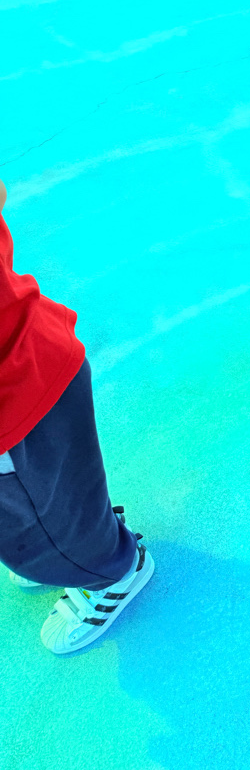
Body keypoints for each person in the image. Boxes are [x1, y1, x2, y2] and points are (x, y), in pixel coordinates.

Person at [0, 179, 153, 655]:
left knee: (45, 516)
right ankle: (71, 542)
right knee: (58, 496)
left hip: (16, 402)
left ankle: (113, 569)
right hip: (32, 353)